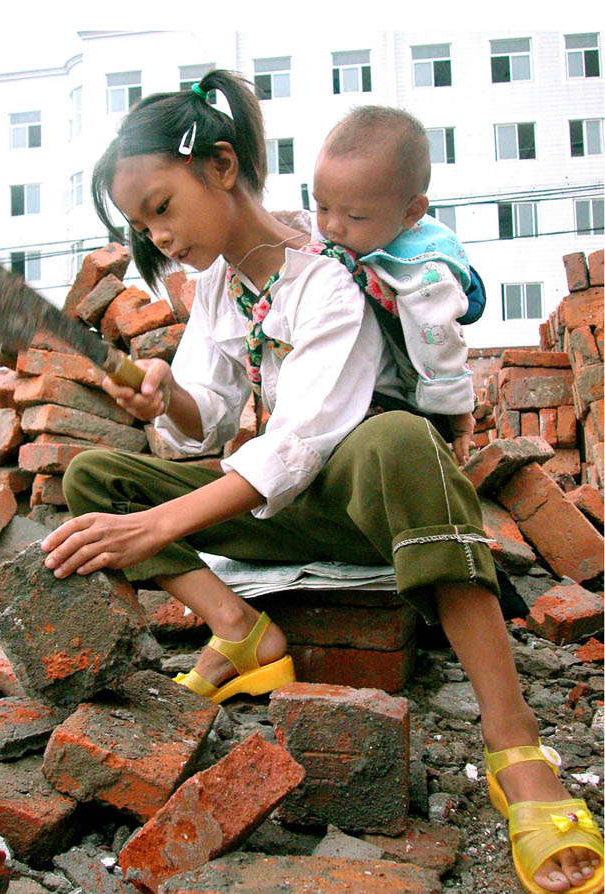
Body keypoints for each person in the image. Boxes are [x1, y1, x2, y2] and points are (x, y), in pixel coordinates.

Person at [40, 69, 602, 894]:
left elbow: (300, 444)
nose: (156, 235)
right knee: (97, 477)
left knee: (396, 439)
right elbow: (208, 419)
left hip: (375, 502)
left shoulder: (332, 270)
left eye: (161, 206)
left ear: (223, 167)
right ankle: (241, 632)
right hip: (289, 512)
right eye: (138, 223)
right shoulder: (224, 289)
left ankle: (514, 744)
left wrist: (159, 529)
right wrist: (165, 394)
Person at [306, 105, 478, 466]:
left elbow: (441, 345)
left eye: (354, 216)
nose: (333, 227)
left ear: (411, 212)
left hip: (414, 404)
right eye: (322, 207)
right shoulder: (361, 238)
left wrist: (458, 414)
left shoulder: (424, 273)